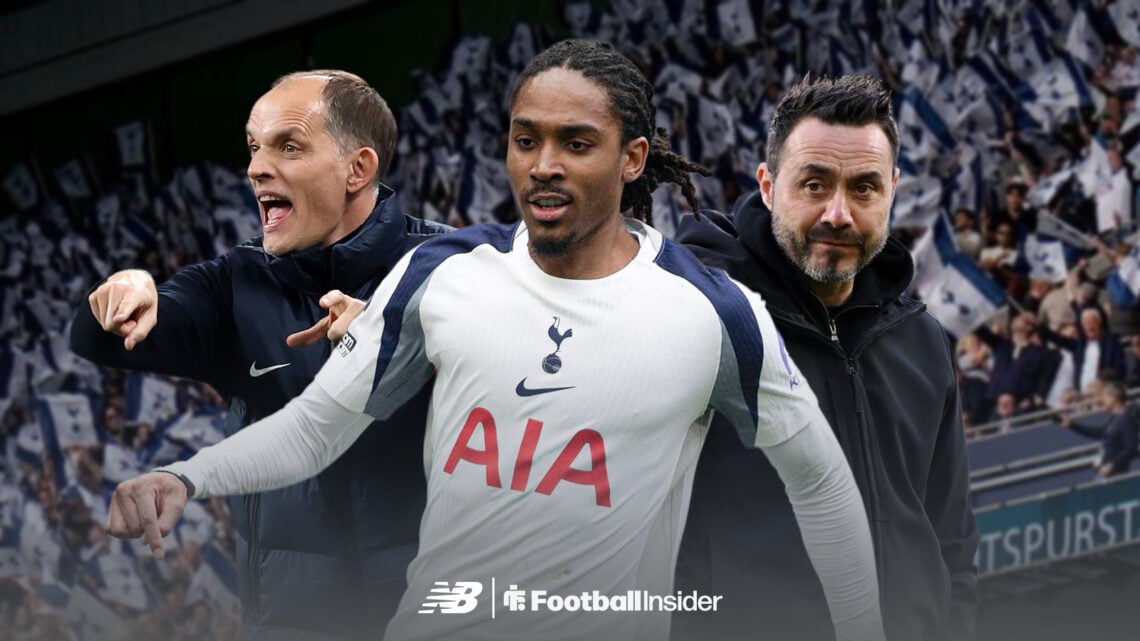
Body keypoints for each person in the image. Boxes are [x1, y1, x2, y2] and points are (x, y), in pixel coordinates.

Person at [103, 41, 886, 641]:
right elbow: (315, 430)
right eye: (525, 139)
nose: (543, 167)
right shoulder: (441, 274)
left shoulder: (715, 314)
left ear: (632, 158)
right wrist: (188, 476)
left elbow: (821, 483)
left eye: (576, 143)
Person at [71, 70, 449, 641]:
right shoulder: (232, 286)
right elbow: (98, 339)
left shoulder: (456, 269)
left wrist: (399, 340)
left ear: (358, 168)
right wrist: (122, 291)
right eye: (253, 146)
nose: (255, 168)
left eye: (288, 146)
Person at [674, 75, 979, 641]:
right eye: (814, 185)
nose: (838, 213)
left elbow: (952, 539)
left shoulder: (924, 343)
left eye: (863, 188)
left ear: (892, 190)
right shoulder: (696, 320)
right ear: (768, 186)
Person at [1060, 380, 1140, 478]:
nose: (1102, 400)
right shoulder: (1113, 420)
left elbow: (1131, 447)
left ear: (1113, 398)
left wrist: (1113, 464)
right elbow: (1097, 432)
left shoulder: (1125, 420)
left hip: (1116, 473)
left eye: (1105, 396)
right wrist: (1072, 425)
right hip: (1106, 471)